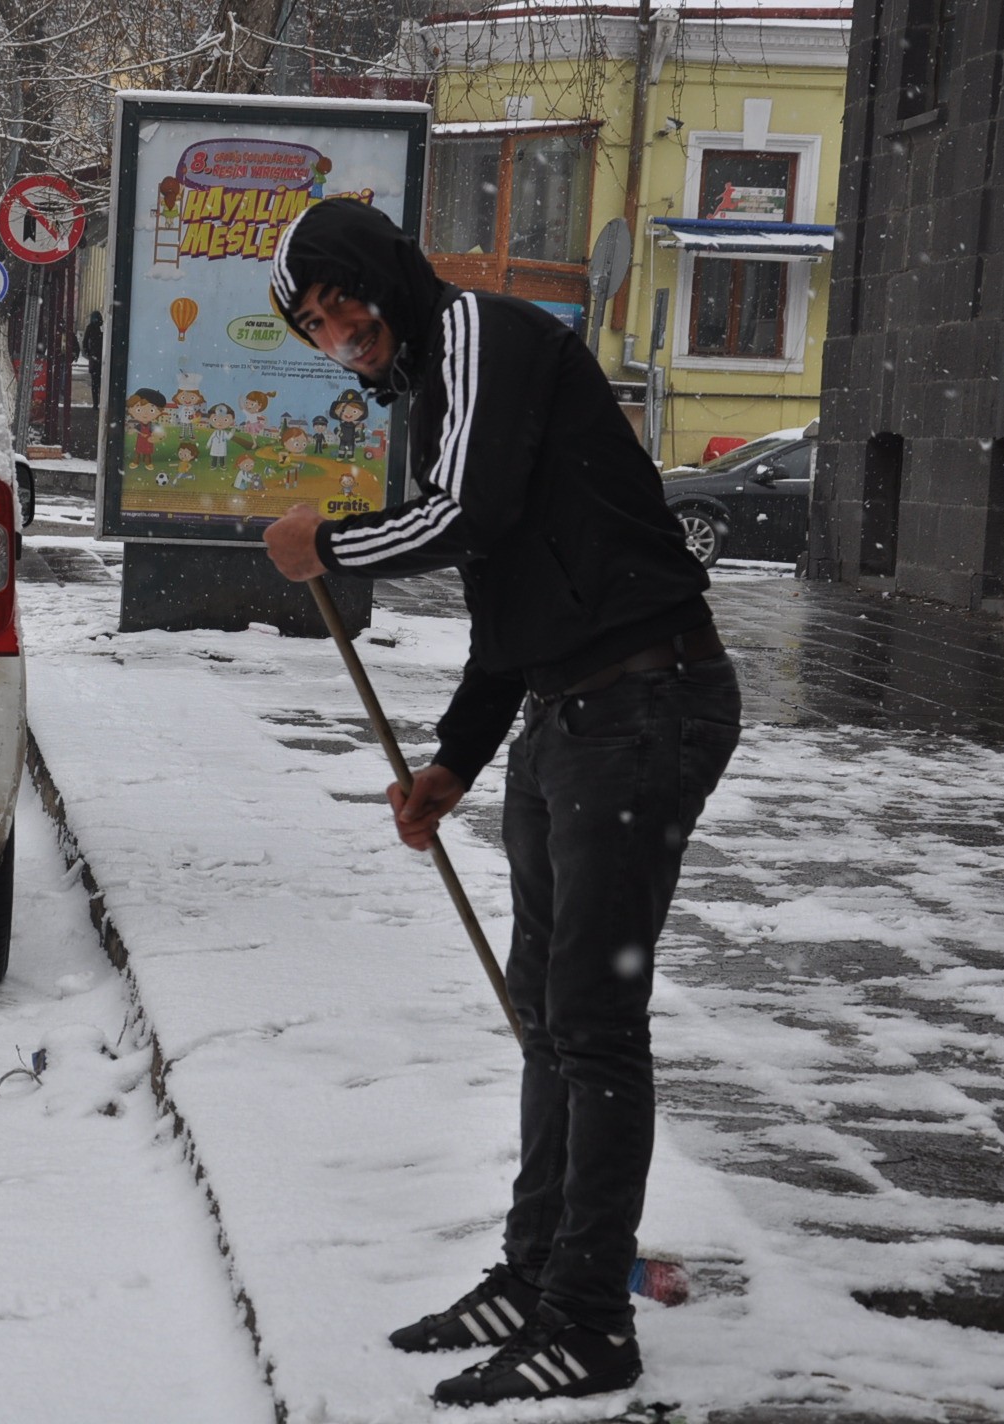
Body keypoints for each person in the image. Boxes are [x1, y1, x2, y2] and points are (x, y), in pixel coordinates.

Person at [259, 199, 742, 1407]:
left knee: (591, 1019)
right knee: (543, 1010)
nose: (339, 335)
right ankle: (534, 1271)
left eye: (339, 305)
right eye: (315, 327)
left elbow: (462, 519)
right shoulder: (435, 390)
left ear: (377, 276)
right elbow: (503, 591)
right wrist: (454, 763)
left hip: (645, 701)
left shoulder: (480, 333)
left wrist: (330, 542)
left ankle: (588, 1317)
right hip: (562, 710)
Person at [82, 310, 103, 408]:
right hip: (99, 358)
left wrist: (89, 354)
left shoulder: (91, 328)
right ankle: (97, 403)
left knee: (95, 383)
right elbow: (85, 343)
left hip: (95, 359)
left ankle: (96, 403)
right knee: (98, 383)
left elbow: (85, 342)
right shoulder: (100, 328)